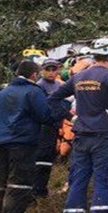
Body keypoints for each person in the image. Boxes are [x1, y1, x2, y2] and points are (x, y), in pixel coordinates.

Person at [48, 38, 108, 213]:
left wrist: (71, 117)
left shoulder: (79, 77)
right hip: (104, 135)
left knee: (79, 179)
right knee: (104, 179)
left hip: (81, 135)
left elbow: (53, 98)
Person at [0, 61, 67, 213]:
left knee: (1, 184)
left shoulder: (3, 92)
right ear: (35, 75)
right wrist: (64, 106)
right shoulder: (33, 92)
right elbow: (46, 116)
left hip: (2, 142)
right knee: (19, 186)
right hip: (23, 143)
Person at [32, 58, 64, 198]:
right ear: (42, 71)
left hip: (54, 126)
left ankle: (42, 188)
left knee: (49, 158)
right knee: (42, 158)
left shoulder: (58, 85)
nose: (51, 73)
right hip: (44, 127)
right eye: (48, 70)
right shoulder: (39, 86)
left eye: (54, 69)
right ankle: (37, 190)